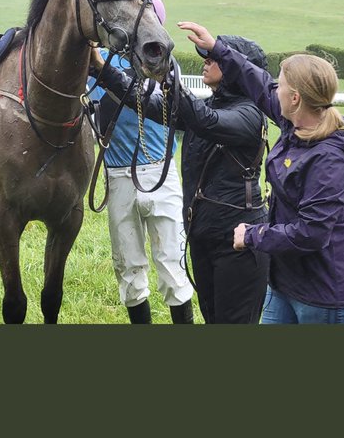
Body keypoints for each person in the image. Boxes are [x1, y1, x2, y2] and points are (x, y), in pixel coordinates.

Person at [177, 23, 344, 325]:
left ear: (295, 98)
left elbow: (312, 233)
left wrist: (253, 234)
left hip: (326, 295)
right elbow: (257, 82)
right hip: (285, 284)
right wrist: (217, 48)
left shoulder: (329, 159)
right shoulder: (295, 121)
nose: (273, 89)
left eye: (280, 85)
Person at [91, 21, 270, 325]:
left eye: (213, 58)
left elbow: (206, 122)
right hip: (205, 237)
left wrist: (165, 74)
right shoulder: (214, 104)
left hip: (238, 244)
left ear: (239, 69)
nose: (206, 62)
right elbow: (146, 101)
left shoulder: (249, 114)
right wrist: (100, 68)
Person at [88, 0, 193, 325]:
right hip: (119, 176)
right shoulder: (104, 61)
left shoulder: (164, 65)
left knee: (171, 263)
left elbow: (146, 99)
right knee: (128, 266)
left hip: (160, 174)